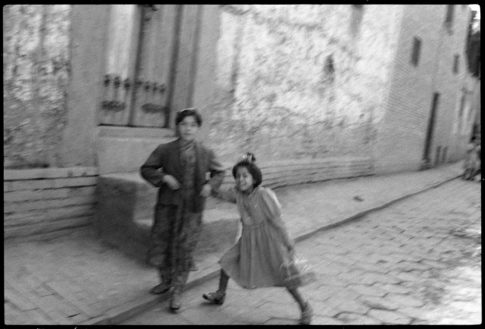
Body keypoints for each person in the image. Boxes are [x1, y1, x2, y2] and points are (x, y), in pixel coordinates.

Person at [202, 153, 313, 325]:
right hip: (248, 240)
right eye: (238, 176)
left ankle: (305, 306)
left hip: (271, 242)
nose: (241, 179)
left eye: (245, 176)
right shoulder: (237, 194)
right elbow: (221, 194)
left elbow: (277, 221)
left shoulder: (264, 195)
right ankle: (220, 294)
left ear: (254, 178)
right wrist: (210, 187)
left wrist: (287, 241)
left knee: (284, 276)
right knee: (227, 263)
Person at [140, 108, 225, 312]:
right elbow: (146, 169)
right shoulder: (164, 150)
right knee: (163, 243)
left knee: (184, 249)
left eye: (193, 125)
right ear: (177, 126)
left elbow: (219, 172)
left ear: (198, 128)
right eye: (184, 124)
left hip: (192, 210)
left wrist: (209, 186)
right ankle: (166, 281)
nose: (188, 128)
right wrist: (164, 178)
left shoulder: (205, 152)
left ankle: (178, 290)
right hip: (168, 207)